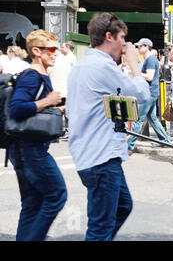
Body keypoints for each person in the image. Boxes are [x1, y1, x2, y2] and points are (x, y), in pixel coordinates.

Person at [66, 13, 150, 241]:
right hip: (100, 157)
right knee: (100, 227)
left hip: (96, 155)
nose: (125, 44)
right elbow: (142, 94)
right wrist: (134, 63)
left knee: (123, 206)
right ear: (108, 37)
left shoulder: (83, 65)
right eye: (122, 38)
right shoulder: (102, 66)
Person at [7, 29, 67, 240]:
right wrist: (48, 102)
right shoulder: (31, 75)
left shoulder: (39, 74)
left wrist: (54, 109)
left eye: (56, 49)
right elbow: (17, 108)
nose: (56, 53)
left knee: (32, 203)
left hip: (26, 147)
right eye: (51, 49)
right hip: (29, 148)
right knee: (57, 194)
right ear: (36, 51)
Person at [128, 38, 171, 152]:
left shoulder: (150, 60)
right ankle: (165, 140)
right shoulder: (151, 59)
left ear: (146, 47)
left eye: (139, 46)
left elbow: (150, 76)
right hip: (152, 92)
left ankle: (128, 144)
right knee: (153, 119)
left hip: (149, 93)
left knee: (138, 119)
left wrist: (136, 73)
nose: (138, 48)